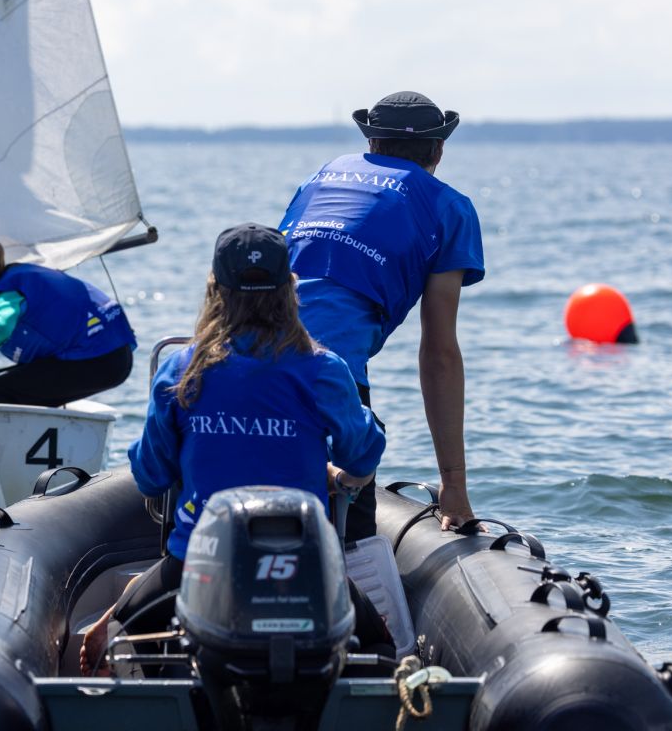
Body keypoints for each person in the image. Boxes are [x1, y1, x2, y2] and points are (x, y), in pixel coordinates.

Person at [79, 223, 390, 676]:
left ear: (215, 291)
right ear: (289, 290)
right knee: (385, 645)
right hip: (306, 567)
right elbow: (362, 455)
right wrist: (338, 476)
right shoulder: (323, 369)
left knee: (102, 644)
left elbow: (150, 474)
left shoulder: (181, 371)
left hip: (192, 563)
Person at [278, 91, 485, 535]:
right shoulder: (450, 207)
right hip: (328, 377)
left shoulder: (322, 176)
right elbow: (440, 354)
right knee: (348, 547)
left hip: (232, 354)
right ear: (439, 149)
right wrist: (454, 486)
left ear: (371, 145)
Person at [0, 235, 135, 406]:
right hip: (118, 356)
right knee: (23, 384)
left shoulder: (6, 296)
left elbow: (0, 329)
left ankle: (9, 447)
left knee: (0, 390)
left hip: (98, 361)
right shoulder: (23, 278)